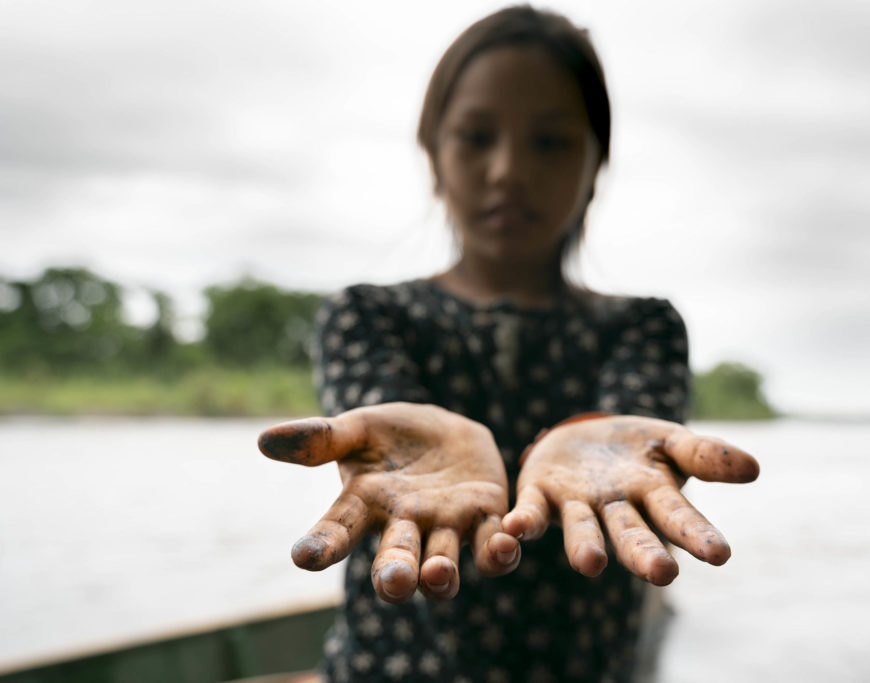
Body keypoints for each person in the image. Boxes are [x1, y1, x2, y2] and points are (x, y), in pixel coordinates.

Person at [258, 6, 759, 682]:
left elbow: (624, 425)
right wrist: (415, 446)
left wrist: (592, 439)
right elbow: (389, 418)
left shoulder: (644, 326)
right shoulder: (369, 313)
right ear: (433, 152)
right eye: (475, 137)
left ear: (596, 163)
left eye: (550, 142)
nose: (508, 170)